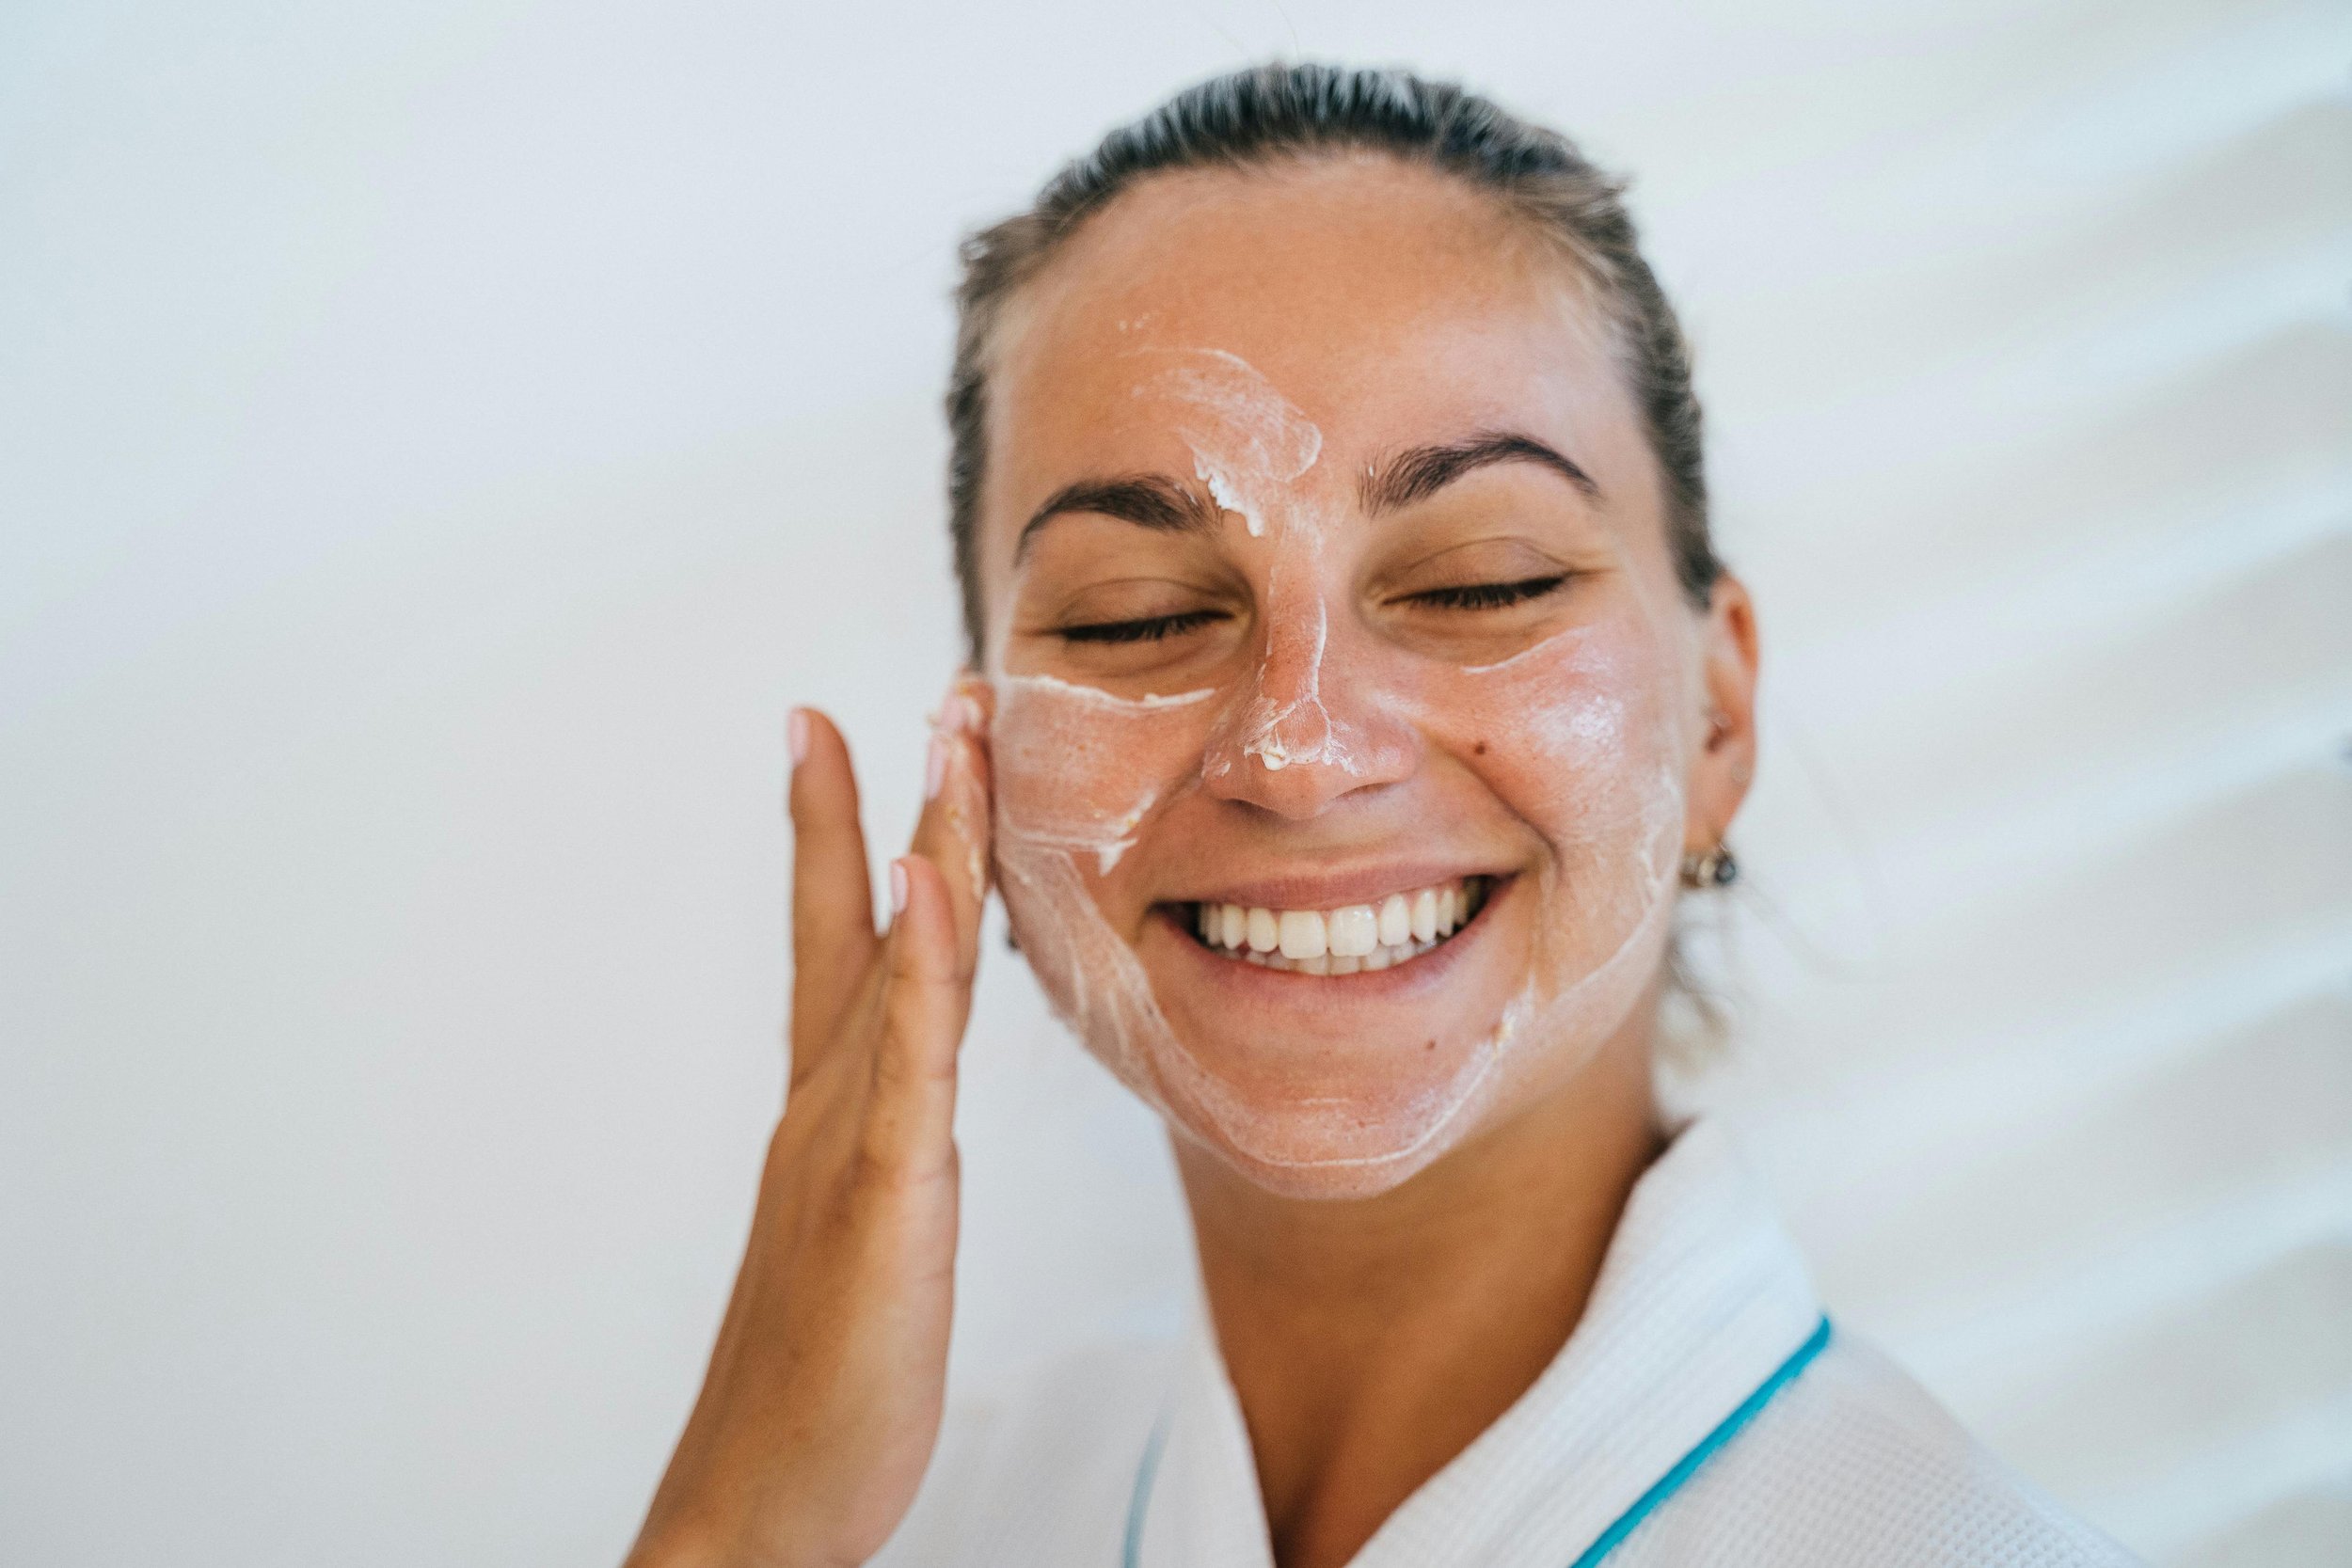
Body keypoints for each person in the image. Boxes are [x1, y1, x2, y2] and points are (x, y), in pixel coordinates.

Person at [625, 64, 2138, 1568]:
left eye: (1484, 585)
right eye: (1139, 618)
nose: (1300, 751)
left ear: (1718, 719)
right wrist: (736, 1529)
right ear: (983, 768)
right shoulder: (913, 1527)